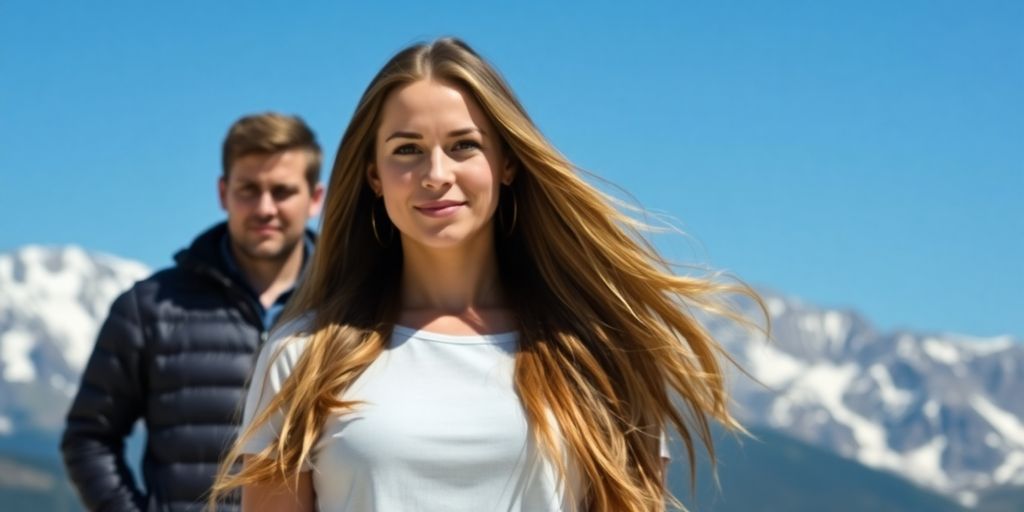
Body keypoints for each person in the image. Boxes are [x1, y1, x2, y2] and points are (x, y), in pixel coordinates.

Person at [211, 39, 763, 512]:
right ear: (374, 176)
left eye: (463, 146)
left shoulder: (598, 353)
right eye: (407, 150)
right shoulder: (304, 356)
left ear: (507, 161)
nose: (435, 174)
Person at [61, 112, 326, 512]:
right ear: (223, 193)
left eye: (282, 191)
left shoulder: (349, 307)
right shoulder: (150, 307)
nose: (265, 208)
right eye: (248, 189)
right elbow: (88, 437)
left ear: (315, 199)